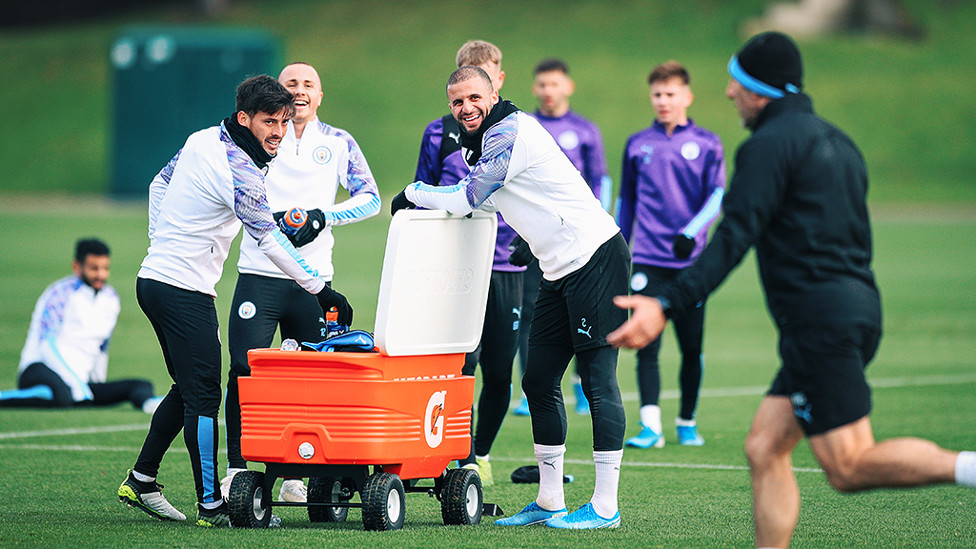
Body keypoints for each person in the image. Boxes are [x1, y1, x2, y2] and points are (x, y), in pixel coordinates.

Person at [607, 32, 976, 548]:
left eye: (737, 84)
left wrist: (666, 302)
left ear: (760, 90)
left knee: (847, 466)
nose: (730, 94)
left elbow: (733, 236)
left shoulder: (766, 147)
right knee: (764, 446)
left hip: (818, 322)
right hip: (856, 307)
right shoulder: (838, 141)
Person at [394, 65, 630, 529]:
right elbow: (492, 199)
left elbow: (466, 200)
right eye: (457, 101)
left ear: (494, 92)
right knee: (539, 380)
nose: (466, 108)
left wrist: (413, 193)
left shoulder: (508, 131)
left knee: (597, 381)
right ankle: (549, 500)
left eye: (474, 98)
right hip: (556, 266)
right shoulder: (477, 140)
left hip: (596, 257)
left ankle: (605, 506)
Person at [117, 74, 354, 527]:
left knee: (188, 388)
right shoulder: (240, 171)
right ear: (245, 118)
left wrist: (160, 242)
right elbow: (270, 241)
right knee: (205, 396)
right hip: (182, 290)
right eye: (269, 122)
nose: (278, 132)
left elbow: (157, 185)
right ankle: (211, 504)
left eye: (284, 122)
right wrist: (320, 288)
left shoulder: (203, 137)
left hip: (156, 280)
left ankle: (142, 479)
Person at [222, 62, 380, 505]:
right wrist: (264, 219)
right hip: (260, 273)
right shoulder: (258, 140)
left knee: (310, 379)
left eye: (309, 84)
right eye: (291, 84)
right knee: (243, 371)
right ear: (279, 92)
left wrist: (321, 216)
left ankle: (297, 473)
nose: (300, 91)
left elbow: (371, 198)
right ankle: (236, 469)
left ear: (320, 95)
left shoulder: (338, 142)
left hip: (315, 281)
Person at [413, 40, 523, 487]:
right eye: (462, 84)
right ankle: (459, 456)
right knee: (459, 366)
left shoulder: (516, 131)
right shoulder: (438, 132)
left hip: (507, 268)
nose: (468, 99)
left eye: (483, 77)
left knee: (500, 371)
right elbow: (419, 197)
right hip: (453, 270)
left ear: (497, 82)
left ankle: (483, 450)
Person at [617, 61, 725, 449]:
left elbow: (717, 196)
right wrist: (618, 243)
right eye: (657, 95)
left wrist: (691, 233)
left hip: (690, 263)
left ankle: (687, 420)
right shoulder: (637, 143)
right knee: (646, 342)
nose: (663, 101)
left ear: (687, 96)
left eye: (670, 94)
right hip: (647, 257)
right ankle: (651, 427)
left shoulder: (708, 143)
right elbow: (626, 199)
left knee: (691, 347)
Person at [512, 57, 613, 417]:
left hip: (578, 243)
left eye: (554, 84)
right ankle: (530, 388)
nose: (547, 91)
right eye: (541, 84)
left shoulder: (584, 130)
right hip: (537, 241)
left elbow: (601, 180)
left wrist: (598, 222)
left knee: (580, 313)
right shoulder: (524, 128)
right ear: (534, 88)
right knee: (533, 313)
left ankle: (581, 388)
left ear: (567, 87)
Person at [0, 238, 161, 413]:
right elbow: (46, 344)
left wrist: (95, 383)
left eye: (105, 268)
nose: (101, 275)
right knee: (63, 395)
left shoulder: (111, 299)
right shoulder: (59, 294)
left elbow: (101, 347)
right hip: (40, 370)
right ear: (77, 267)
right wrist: (75, 384)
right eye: (94, 268)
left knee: (141, 385)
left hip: (79, 383)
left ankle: (150, 405)